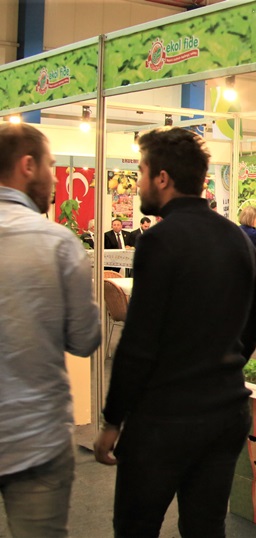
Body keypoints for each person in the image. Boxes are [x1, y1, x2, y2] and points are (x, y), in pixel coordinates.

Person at [93, 127, 256, 537]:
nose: (137, 186)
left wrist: (113, 420)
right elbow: (253, 330)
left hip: (165, 419)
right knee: (206, 528)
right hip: (226, 413)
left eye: (141, 173)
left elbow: (139, 343)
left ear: (163, 179)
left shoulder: (159, 241)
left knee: (137, 526)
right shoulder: (237, 239)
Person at [0, 123, 102, 536]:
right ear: (28, 166)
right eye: (51, 165)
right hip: (36, 439)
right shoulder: (57, 243)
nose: (56, 177)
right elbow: (84, 340)